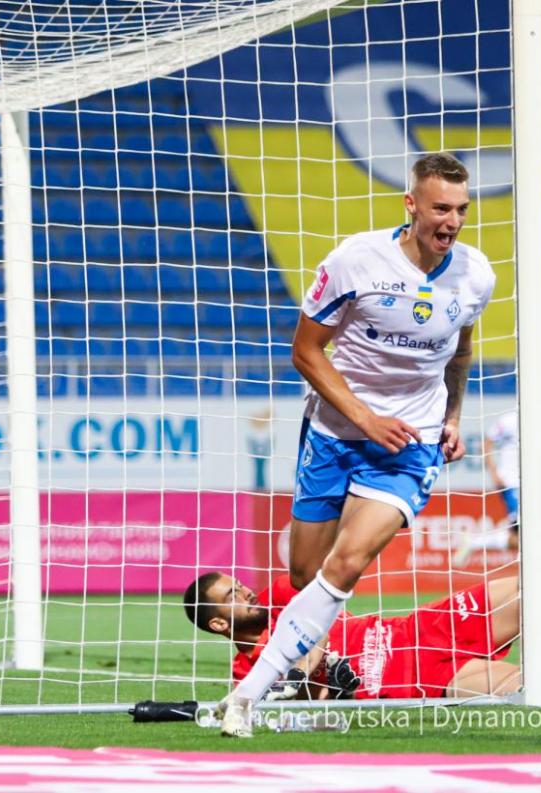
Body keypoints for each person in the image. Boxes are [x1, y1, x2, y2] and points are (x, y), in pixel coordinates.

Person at [215, 153, 496, 736]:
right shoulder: (354, 261)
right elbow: (305, 352)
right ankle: (311, 677)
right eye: (441, 208)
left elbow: (461, 351)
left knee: (347, 563)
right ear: (411, 204)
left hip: (408, 443)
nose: (452, 221)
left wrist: (452, 416)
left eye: (461, 210)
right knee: (304, 574)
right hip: (334, 433)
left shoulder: (476, 275)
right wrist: (366, 419)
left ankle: (246, 697)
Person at [183, 549, 541, 732]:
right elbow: (313, 715)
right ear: (218, 625)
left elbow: (325, 602)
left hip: (426, 628)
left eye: (239, 584)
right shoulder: (244, 679)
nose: (247, 592)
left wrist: (313, 660)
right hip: (424, 682)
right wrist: (321, 683)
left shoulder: (283, 594)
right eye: (232, 595)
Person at [451, 410, 541, 565]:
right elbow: (487, 444)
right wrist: (494, 472)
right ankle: (540, 565)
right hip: (511, 481)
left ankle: (474, 542)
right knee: (527, 534)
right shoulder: (508, 421)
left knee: (523, 537)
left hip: (535, 483)